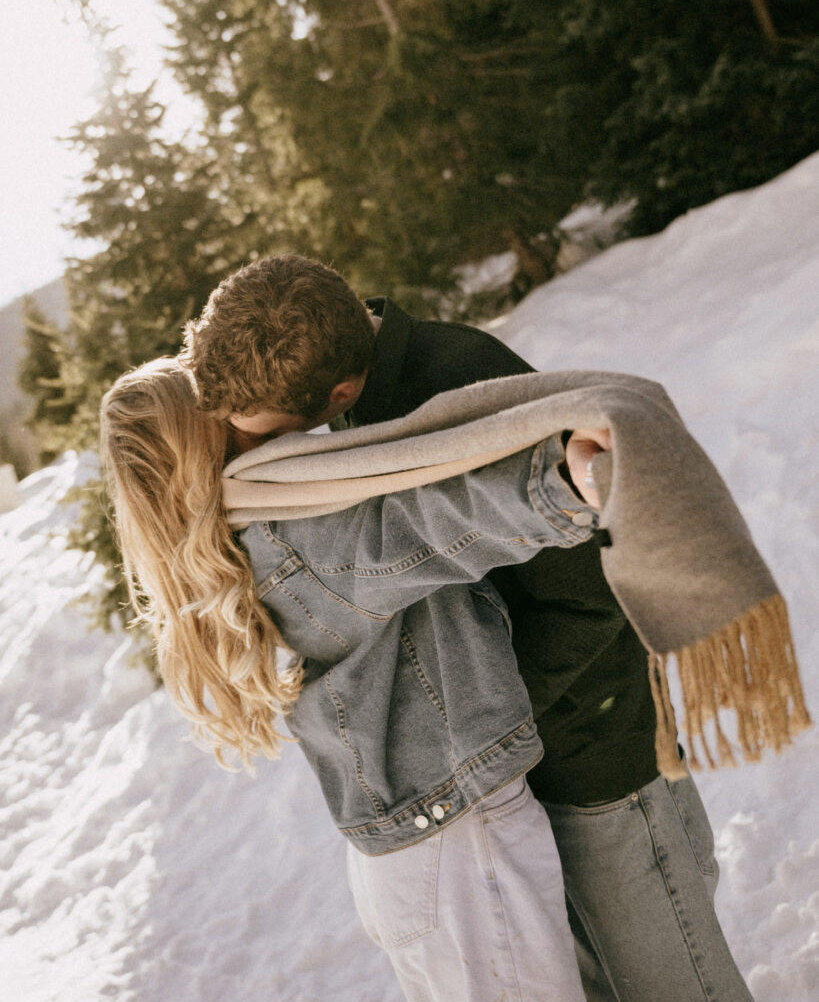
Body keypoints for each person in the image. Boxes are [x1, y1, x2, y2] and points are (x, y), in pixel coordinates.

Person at [182, 254, 757, 1002]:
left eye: (268, 432)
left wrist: (494, 714)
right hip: (523, 772)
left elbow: (588, 594)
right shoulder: (344, 385)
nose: (253, 446)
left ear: (340, 392)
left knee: (673, 985)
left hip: (594, 760)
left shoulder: (455, 384)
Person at [102, 356, 615, 1001]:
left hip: (422, 846)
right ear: (211, 430)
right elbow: (419, 530)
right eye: (218, 397)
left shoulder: (255, 526)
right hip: (453, 843)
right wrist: (561, 484)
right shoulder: (289, 531)